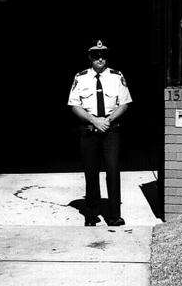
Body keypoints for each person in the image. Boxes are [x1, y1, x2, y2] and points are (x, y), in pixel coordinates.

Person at [68, 39, 132, 226]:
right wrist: (94, 120)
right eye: (96, 55)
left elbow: (125, 104)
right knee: (91, 172)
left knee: (112, 170)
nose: (100, 58)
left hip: (111, 130)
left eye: (103, 55)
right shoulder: (80, 77)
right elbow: (74, 105)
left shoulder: (116, 76)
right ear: (90, 57)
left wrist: (108, 121)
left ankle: (113, 216)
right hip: (89, 130)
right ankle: (91, 213)